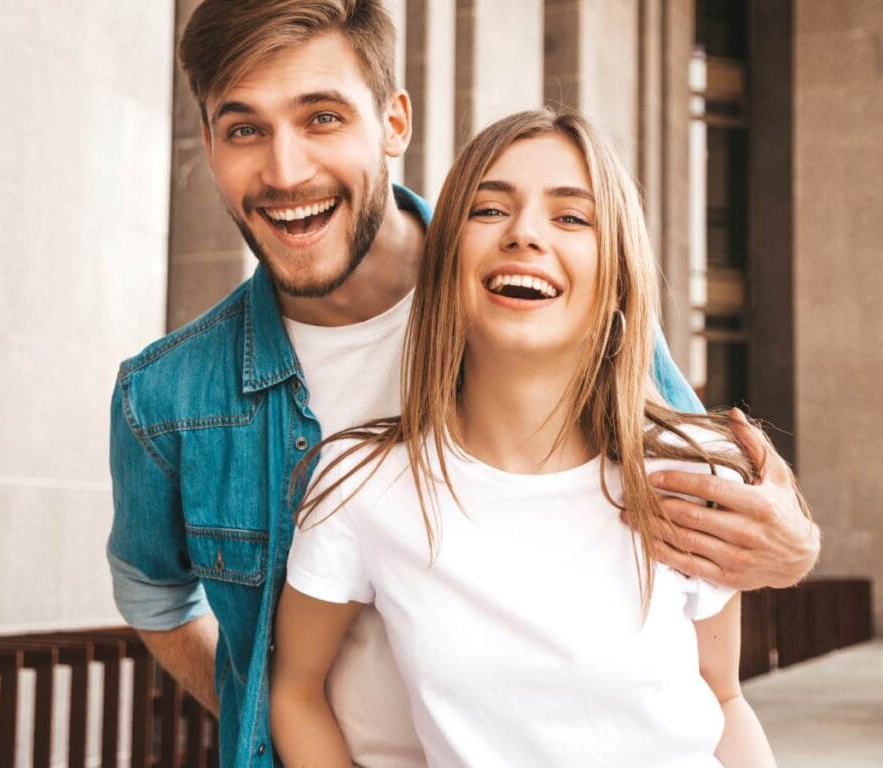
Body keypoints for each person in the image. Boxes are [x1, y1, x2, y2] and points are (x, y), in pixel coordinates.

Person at [106, 2, 818, 766]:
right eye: (244, 128)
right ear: (209, 146)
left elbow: (705, 513)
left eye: (322, 118)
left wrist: (796, 549)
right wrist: (255, 716)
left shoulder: (543, 298)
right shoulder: (168, 397)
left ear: (393, 124)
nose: (286, 172)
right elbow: (154, 593)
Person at [271, 108, 784, 767]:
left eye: (572, 217)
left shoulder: (699, 472)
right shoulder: (363, 482)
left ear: (616, 274)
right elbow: (296, 690)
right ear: (448, 256)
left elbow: (723, 700)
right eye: (489, 210)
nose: (524, 235)